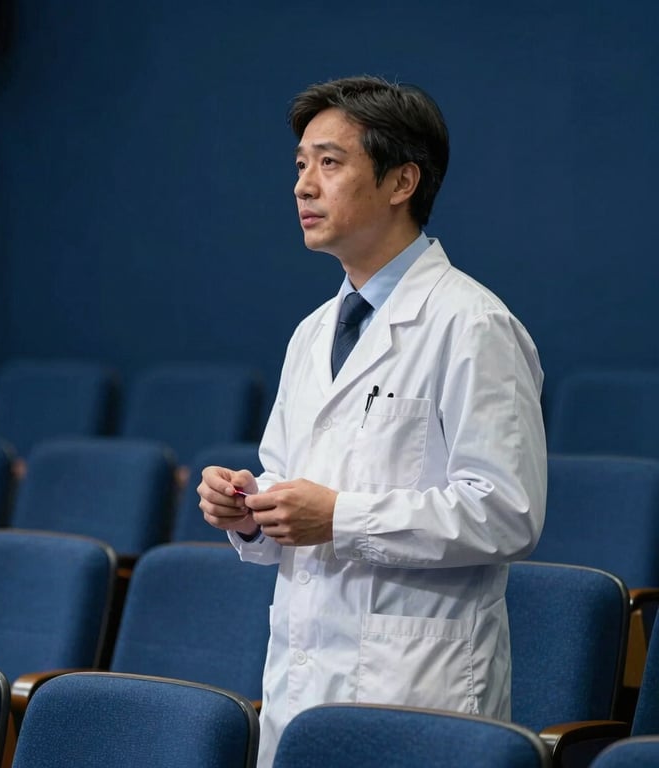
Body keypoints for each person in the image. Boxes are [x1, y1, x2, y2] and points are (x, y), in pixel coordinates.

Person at [197, 75, 546, 768]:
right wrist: (247, 507)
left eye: (330, 163)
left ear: (401, 182)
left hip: (421, 685)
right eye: (300, 165)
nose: (303, 185)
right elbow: (295, 483)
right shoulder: (312, 332)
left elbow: (509, 512)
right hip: (301, 681)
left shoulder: (473, 324)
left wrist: (341, 518)